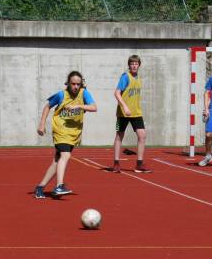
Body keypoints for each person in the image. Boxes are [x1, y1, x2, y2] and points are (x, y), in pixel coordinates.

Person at [34, 71, 97, 199]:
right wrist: (42, 124)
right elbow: (47, 107)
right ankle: (59, 186)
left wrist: (78, 106)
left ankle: (40, 187)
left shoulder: (84, 93)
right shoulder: (61, 95)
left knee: (57, 161)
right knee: (66, 155)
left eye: (78, 84)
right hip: (60, 130)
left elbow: (94, 107)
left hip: (73, 133)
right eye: (73, 84)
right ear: (68, 83)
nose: (75, 86)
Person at [112, 54, 151, 173]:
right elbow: (117, 93)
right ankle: (116, 163)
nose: (134, 66)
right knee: (119, 136)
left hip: (136, 112)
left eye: (136, 64)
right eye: (132, 64)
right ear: (129, 65)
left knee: (142, 135)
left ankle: (139, 164)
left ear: (139, 65)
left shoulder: (138, 78)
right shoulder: (125, 77)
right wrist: (124, 106)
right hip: (123, 113)